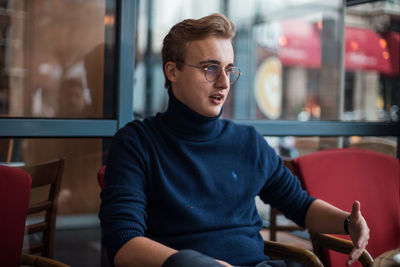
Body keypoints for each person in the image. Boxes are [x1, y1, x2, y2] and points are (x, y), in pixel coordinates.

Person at [99, 13, 369, 267]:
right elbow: (123, 244)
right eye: (210, 69)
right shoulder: (137, 143)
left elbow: (300, 206)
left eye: (229, 70)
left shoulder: (248, 142)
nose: (224, 83)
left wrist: (347, 223)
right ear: (173, 72)